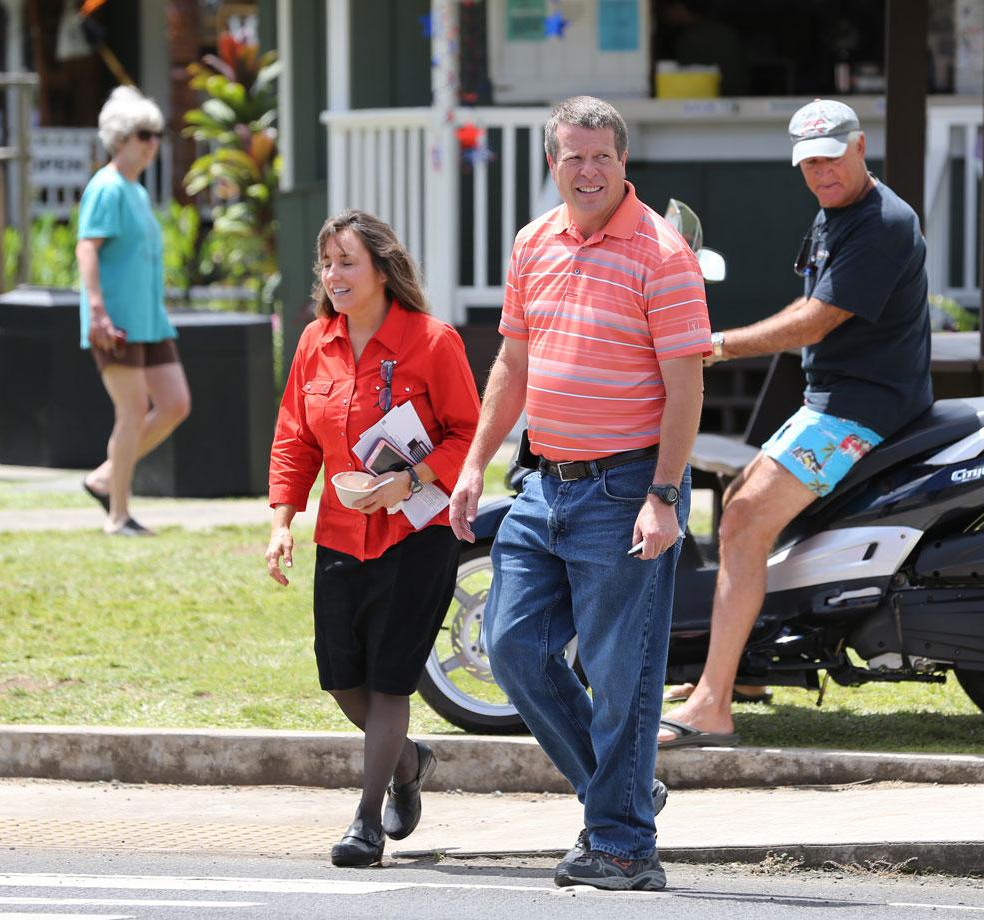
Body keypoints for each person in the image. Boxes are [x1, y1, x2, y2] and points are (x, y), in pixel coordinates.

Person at [449, 96, 710, 892]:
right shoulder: (533, 243)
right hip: (544, 482)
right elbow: (510, 368)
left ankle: (625, 846)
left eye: (601, 156)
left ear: (623, 161)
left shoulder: (664, 256)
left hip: (629, 484)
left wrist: (662, 496)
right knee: (512, 646)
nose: (588, 170)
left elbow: (685, 388)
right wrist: (471, 464)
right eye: (573, 156)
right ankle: (621, 791)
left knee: (618, 673)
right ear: (552, 164)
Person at [658, 98, 932, 749]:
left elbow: (815, 320)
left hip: (861, 409)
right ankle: (744, 668)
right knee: (741, 510)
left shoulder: (882, 222)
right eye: (808, 162)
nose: (820, 171)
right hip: (833, 400)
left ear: (860, 146)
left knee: (745, 517)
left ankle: (714, 703)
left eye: (831, 157)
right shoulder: (836, 212)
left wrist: (716, 345)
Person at [265, 209, 480, 868]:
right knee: (341, 678)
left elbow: (468, 434)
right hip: (340, 534)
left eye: (347, 261)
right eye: (327, 263)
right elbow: (295, 438)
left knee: (391, 683)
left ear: (383, 269)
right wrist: (281, 521)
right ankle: (409, 762)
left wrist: (411, 478)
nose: (333, 275)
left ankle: (366, 823)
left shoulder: (433, 341)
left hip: (417, 537)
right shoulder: (313, 344)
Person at [76, 86, 190, 536]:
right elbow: (87, 248)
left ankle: (105, 477)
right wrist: (98, 310)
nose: (152, 143)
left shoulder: (137, 192)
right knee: (131, 410)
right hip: (116, 321)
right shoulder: (106, 188)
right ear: (120, 137)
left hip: (148, 320)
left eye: (157, 134)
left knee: (175, 403)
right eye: (144, 134)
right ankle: (118, 514)